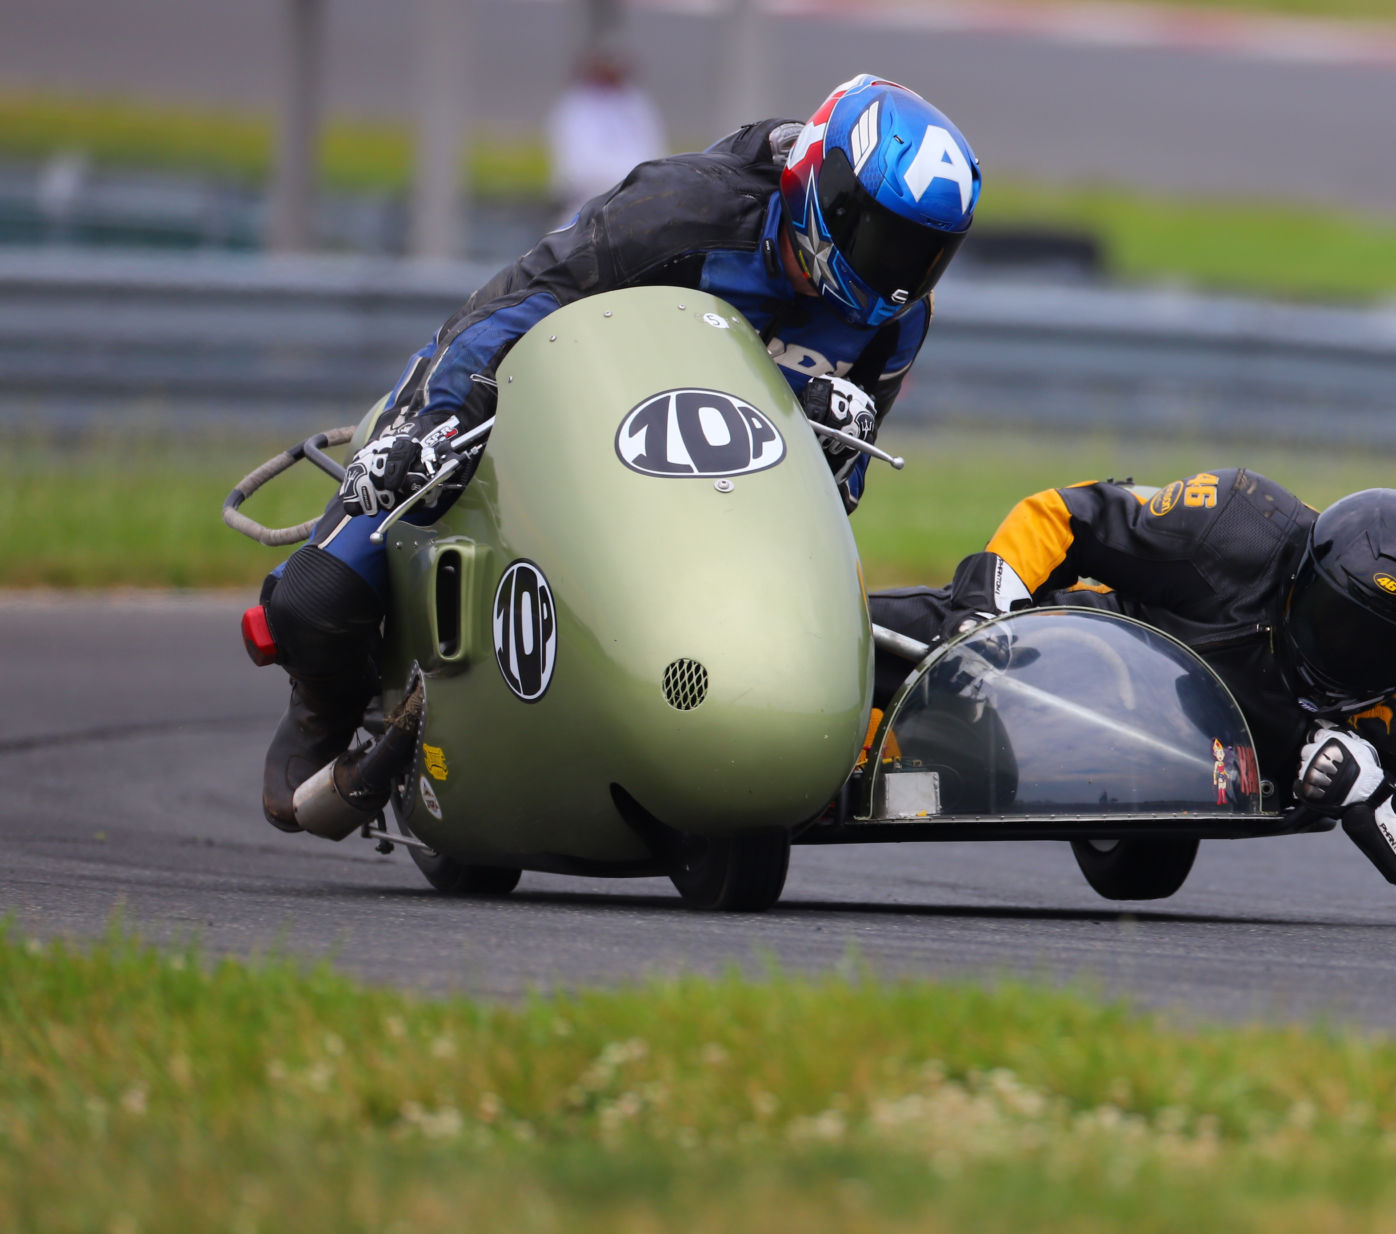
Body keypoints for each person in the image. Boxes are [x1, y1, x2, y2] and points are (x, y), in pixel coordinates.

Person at [256, 74, 981, 832]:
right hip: (542, 421)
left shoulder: (894, 322)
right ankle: (326, 702)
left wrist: (822, 440)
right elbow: (513, 306)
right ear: (825, 195)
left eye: (924, 255)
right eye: (883, 240)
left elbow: (837, 496)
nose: (898, 275)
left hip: (694, 507)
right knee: (315, 603)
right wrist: (431, 422)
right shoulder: (684, 213)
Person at [869, 471, 1396, 928]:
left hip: (1158, 776)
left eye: (1386, 649)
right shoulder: (1233, 526)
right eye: (1338, 624)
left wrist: (1378, 801)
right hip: (1074, 654)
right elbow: (1064, 514)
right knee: (853, 634)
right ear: (1305, 575)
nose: (1351, 658)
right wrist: (987, 617)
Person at [547, 53, 668, 218]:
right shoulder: (576, 106)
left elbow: (655, 154)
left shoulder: (635, 103)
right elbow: (580, 168)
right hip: (588, 207)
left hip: (637, 204)